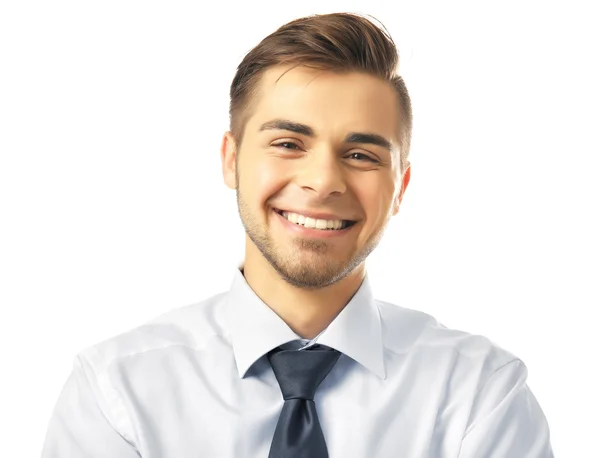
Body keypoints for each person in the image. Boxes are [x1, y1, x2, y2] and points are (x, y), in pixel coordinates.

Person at [41, 12, 553, 458]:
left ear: (400, 188)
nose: (324, 181)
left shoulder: (480, 397)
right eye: (288, 143)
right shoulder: (117, 393)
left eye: (361, 155)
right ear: (231, 160)